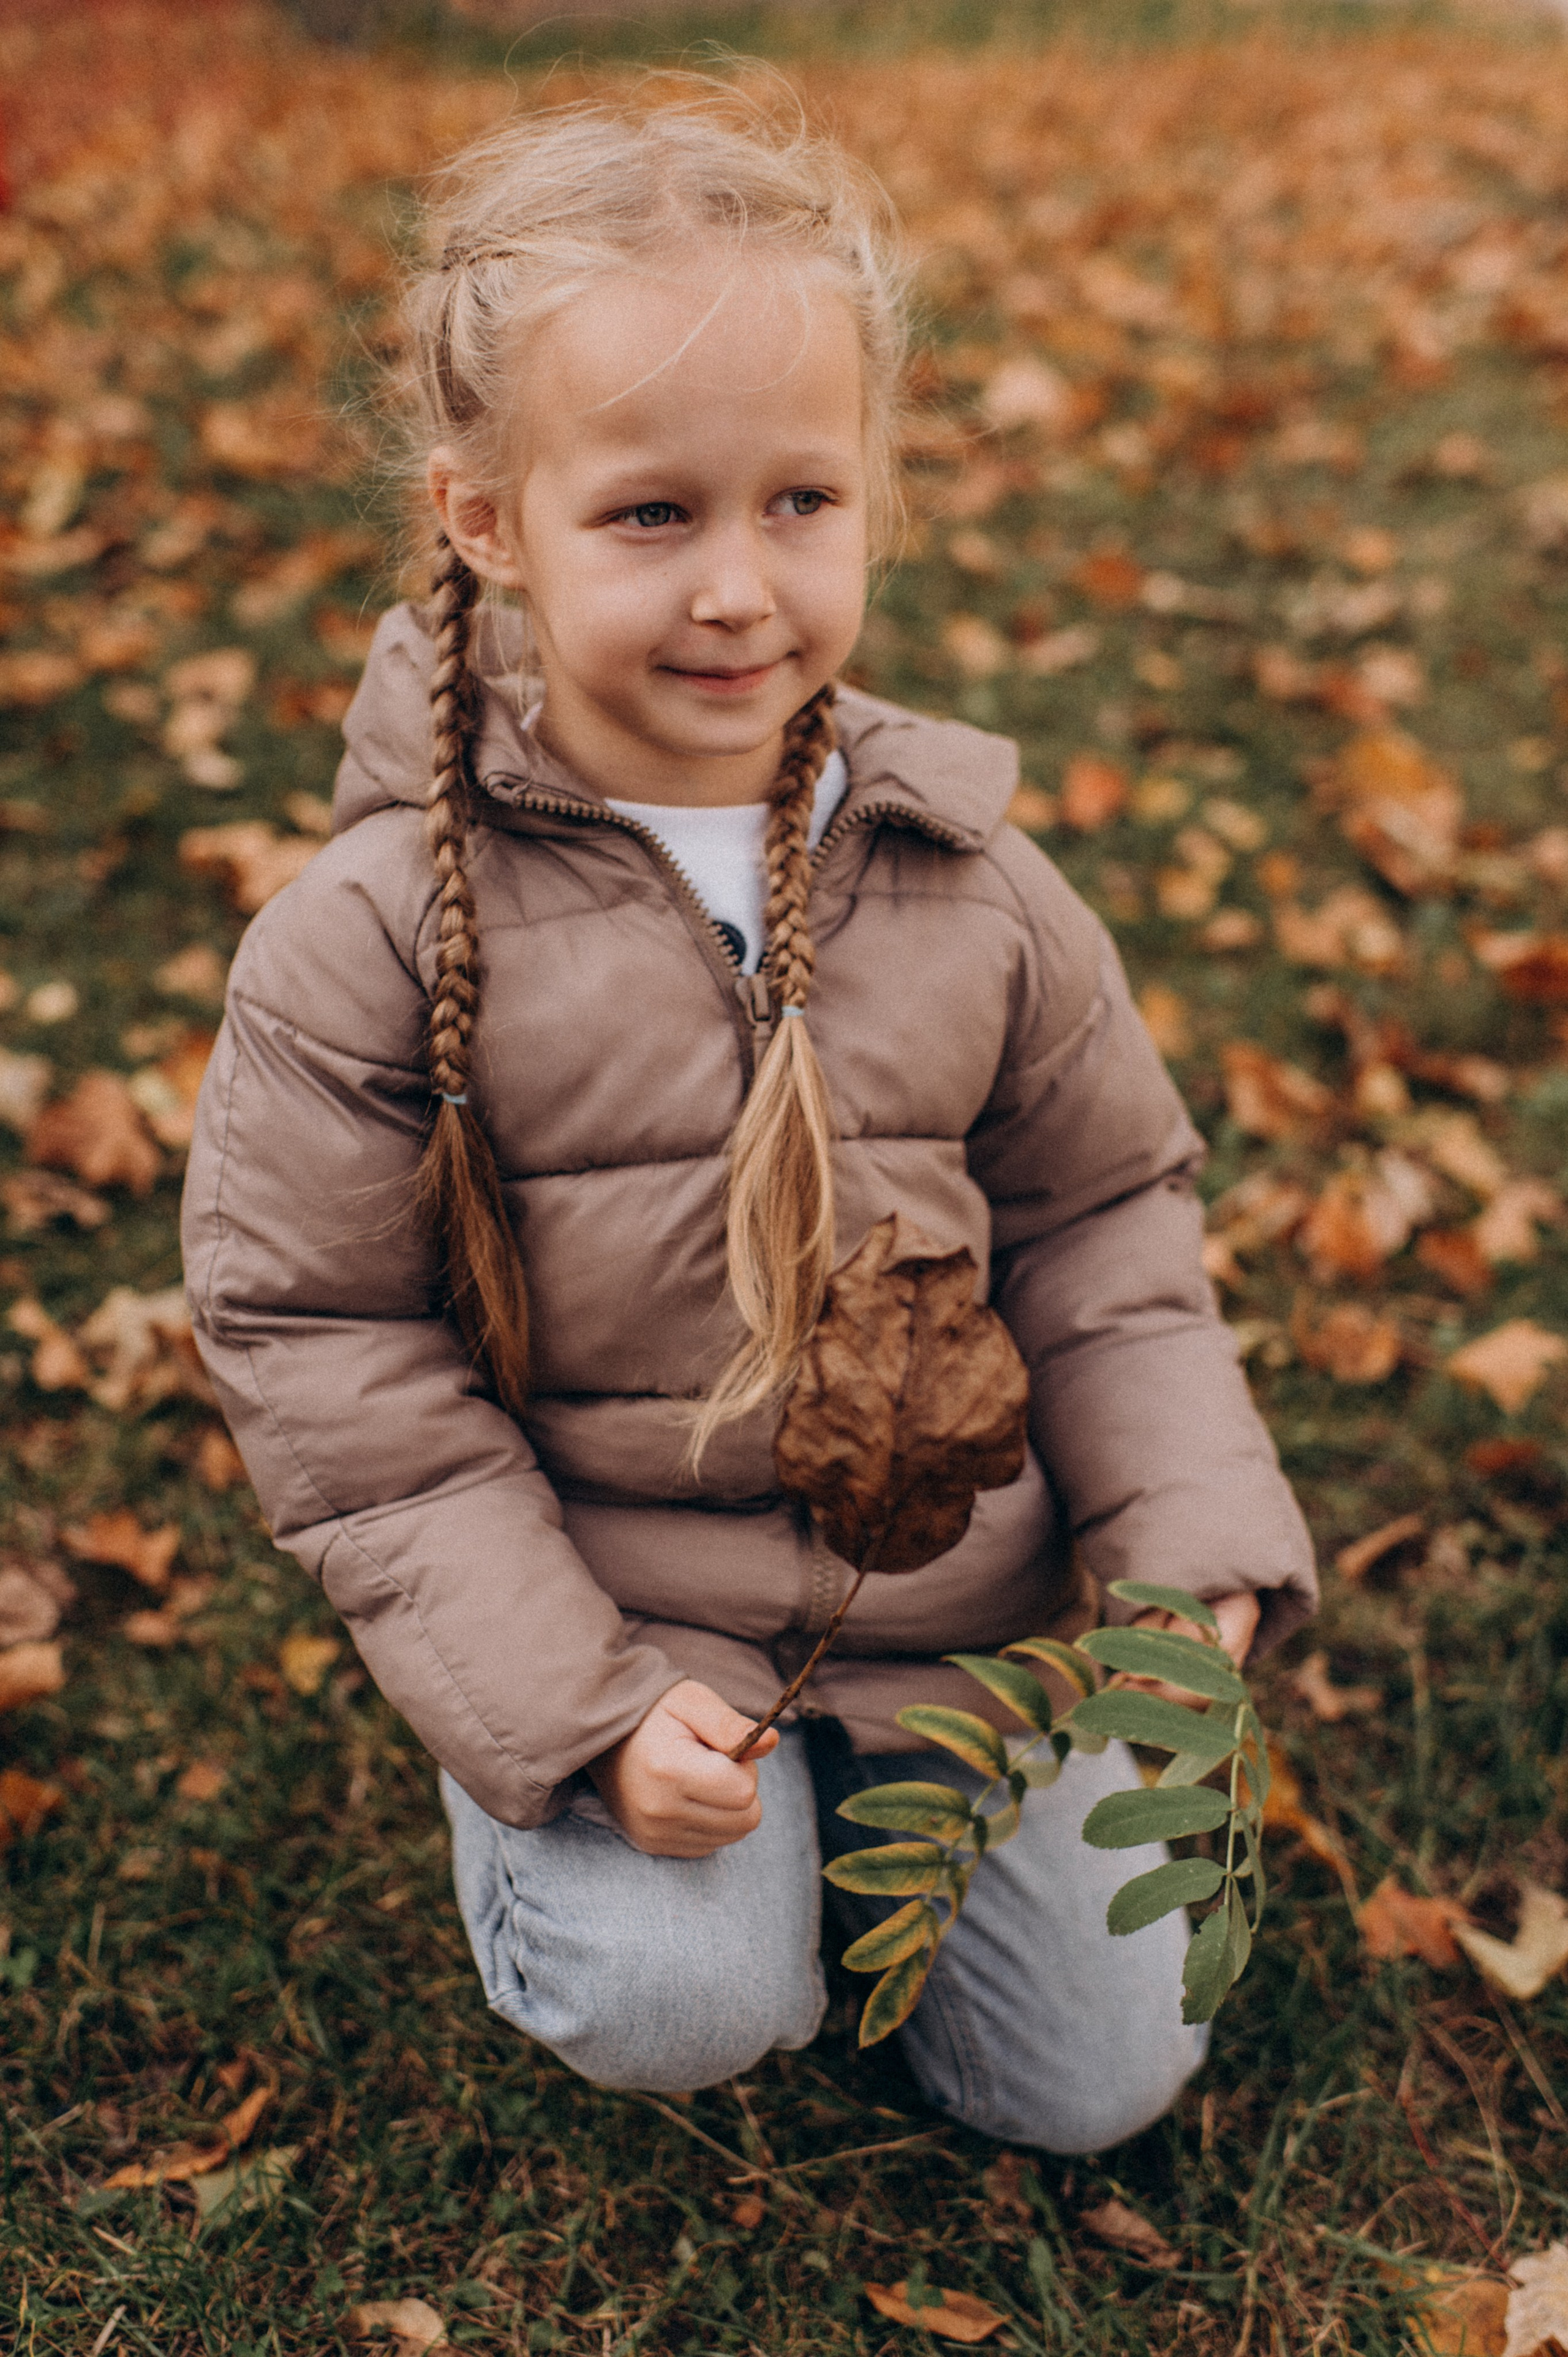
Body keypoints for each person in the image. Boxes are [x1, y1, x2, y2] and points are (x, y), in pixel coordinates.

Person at [182, 89, 1317, 2154]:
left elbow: (1106, 1230)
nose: (737, 589)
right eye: (650, 515)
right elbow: (325, 1347)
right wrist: (581, 1711)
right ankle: (576, 1832)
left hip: (967, 1621)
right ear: (481, 521)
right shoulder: (370, 936)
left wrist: (1181, 1561)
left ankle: (903, 1859)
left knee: (1092, 2085)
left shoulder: (965, 875)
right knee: (689, 1996)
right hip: (623, 1620)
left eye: (800, 500)